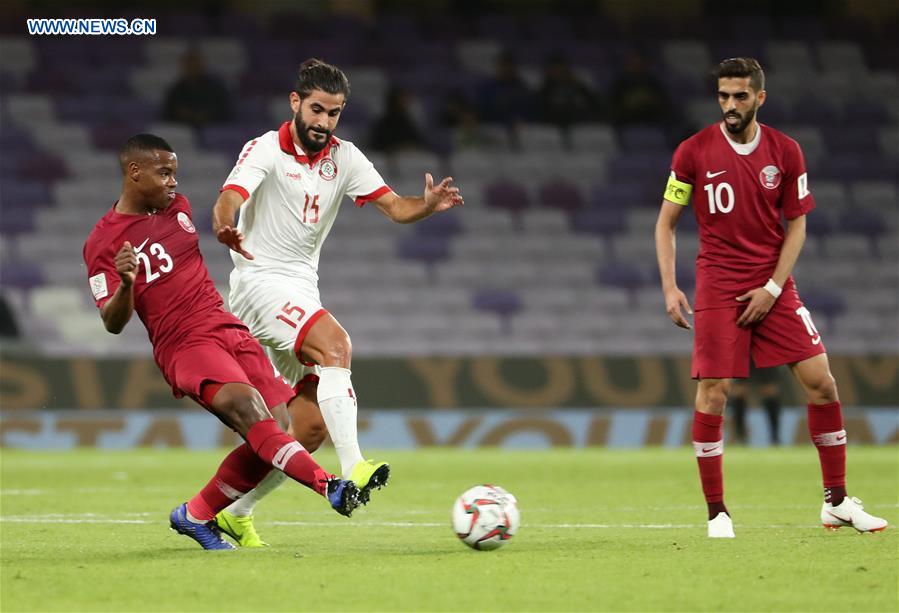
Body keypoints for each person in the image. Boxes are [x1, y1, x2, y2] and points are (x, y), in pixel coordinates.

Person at [211, 59, 463, 546]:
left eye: (335, 113)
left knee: (307, 427)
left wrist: (426, 205)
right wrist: (225, 224)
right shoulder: (265, 148)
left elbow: (395, 207)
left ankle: (234, 514)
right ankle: (356, 467)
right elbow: (230, 196)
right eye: (317, 110)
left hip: (302, 289)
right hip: (259, 283)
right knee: (337, 344)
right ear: (295, 102)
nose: (324, 122)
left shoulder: (344, 158)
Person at [83, 134, 362, 550]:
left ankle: (195, 514)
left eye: (175, 173)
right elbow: (112, 322)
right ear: (134, 172)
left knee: (280, 429)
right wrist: (126, 284)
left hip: (226, 327)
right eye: (164, 173)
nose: (174, 183)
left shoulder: (179, 209)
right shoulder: (102, 243)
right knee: (250, 413)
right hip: (185, 345)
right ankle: (329, 487)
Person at [654, 57, 886, 538]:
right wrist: (670, 285)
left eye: (740, 96)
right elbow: (666, 223)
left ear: (760, 97)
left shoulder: (786, 151)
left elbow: (797, 223)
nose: (730, 105)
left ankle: (837, 502)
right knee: (714, 391)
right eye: (723, 96)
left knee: (822, 382)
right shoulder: (693, 151)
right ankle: (717, 512)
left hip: (773, 284)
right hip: (718, 283)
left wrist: (774, 287)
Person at [162, 47, 232, 129]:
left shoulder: (216, 88)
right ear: (183, 66)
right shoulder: (176, 89)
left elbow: (225, 112)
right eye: (189, 63)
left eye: (195, 63)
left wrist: (205, 115)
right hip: (183, 130)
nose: (193, 67)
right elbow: (167, 114)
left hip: (213, 128)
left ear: (203, 64)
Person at [729, 365, 782, 445]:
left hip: (765, 354)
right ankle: (740, 436)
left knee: (770, 391)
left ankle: (775, 436)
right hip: (742, 354)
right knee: (739, 391)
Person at [369, 86, 428, 153]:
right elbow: (378, 146)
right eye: (402, 99)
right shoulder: (383, 124)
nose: (404, 102)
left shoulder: (408, 123)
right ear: (393, 100)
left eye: (405, 99)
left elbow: (418, 143)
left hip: (408, 158)